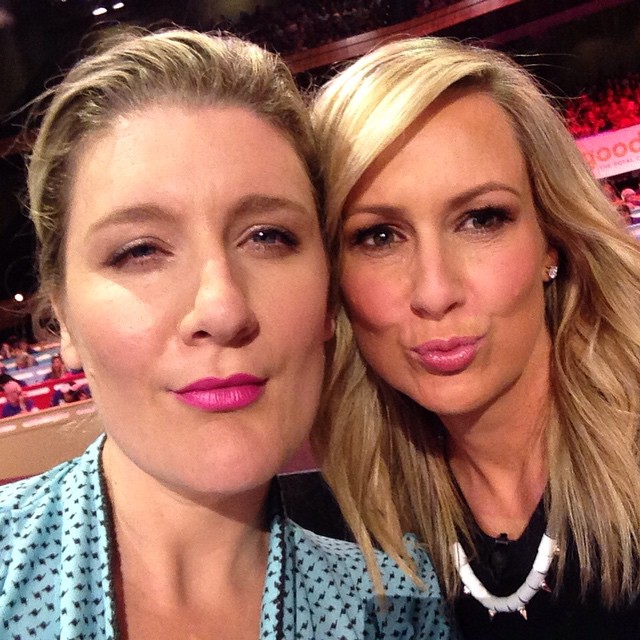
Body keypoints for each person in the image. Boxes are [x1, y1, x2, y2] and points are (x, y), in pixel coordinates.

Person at [0, 28, 451, 638]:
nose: (223, 308)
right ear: (64, 320)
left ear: (328, 296)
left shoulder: (401, 608)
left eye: (268, 237)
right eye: (139, 251)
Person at [312, 36, 640, 638]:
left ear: (552, 239)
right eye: (378, 236)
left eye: (482, 219)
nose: (435, 291)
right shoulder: (346, 523)